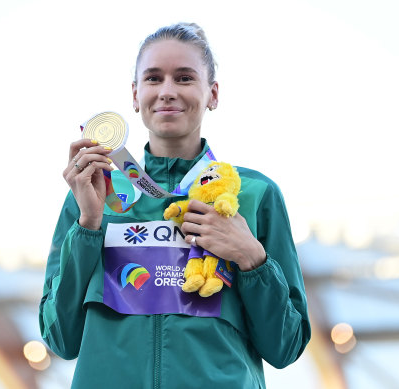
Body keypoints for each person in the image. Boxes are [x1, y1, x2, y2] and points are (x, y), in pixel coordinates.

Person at [39, 23, 311, 388]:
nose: (167, 91)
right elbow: (61, 340)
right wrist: (88, 224)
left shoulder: (253, 194)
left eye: (184, 78)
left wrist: (251, 259)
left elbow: (286, 346)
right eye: (153, 79)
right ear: (135, 95)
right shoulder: (95, 193)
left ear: (212, 94)